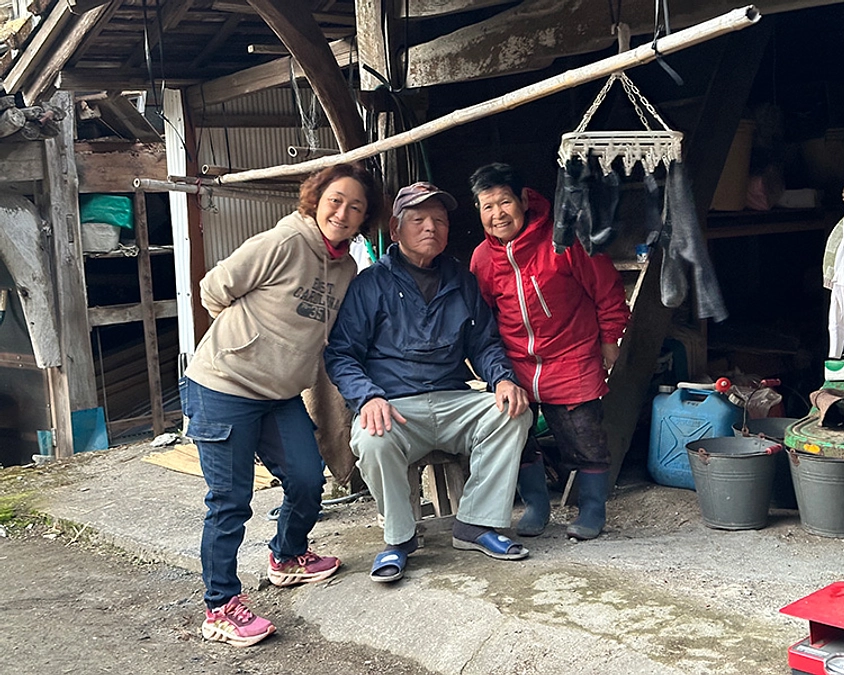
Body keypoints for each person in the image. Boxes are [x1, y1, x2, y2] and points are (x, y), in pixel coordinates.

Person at [180, 163, 382, 647]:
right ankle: (220, 607)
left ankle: (287, 557)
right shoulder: (284, 241)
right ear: (317, 200)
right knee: (230, 503)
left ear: (364, 219)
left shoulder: (347, 267)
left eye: (356, 206)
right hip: (223, 387)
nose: (343, 212)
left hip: (280, 396)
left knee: (309, 478)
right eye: (336, 200)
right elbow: (213, 289)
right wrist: (248, 343)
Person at [323, 181, 533, 584]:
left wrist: (503, 379)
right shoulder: (371, 284)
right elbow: (341, 353)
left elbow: (485, 343)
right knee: (370, 438)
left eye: (439, 220)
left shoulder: (461, 279)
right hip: (397, 407)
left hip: (454, 400)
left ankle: (475, 524)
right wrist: (367, 398)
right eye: (418, 220)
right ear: (397, 229)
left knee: (511, 414)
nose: (430, 228)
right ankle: (399, 539)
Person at [468, 162, 630, 540]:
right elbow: (483, 317)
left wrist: (609, 341)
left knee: (586, 437)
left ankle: (592, 509)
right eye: (487, 207)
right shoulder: (482, 259)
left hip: (572, 356)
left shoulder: (566, 239)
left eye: (504, 202)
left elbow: (607, 291)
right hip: (516, 364)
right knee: (517, 439)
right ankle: (537, 505)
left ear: (524, 199)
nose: (497, 214)